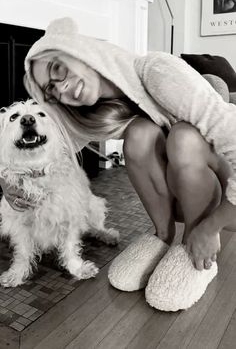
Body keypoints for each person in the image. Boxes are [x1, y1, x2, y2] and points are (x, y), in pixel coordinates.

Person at [3, 17, 236, 278]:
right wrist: (8, 183)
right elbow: (53, 153)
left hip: (227, 196)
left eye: (58, 69)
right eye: (50, 89)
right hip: (182, 192)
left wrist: (212, 227)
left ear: (80, 52)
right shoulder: (94, 111)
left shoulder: (157, 71)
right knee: (140, 133)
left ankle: (193, 244)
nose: (62, 87)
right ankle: (162, 236)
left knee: (183, 137)